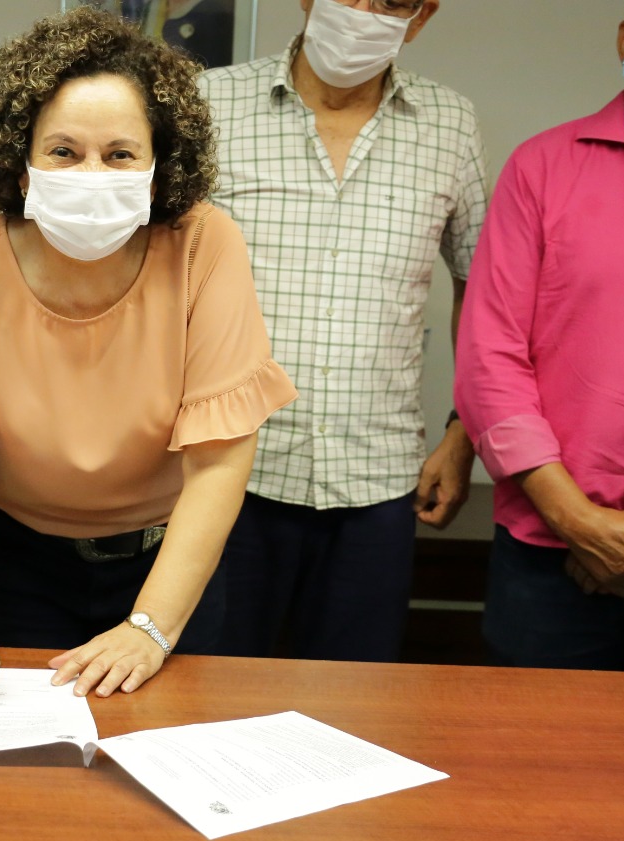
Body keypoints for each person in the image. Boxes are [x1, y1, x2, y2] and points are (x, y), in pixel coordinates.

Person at [0, 7, 296, 700]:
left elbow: (220, 460)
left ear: (157, 171)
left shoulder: (204, 246)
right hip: (14, 565)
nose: (92, 174)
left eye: (120, 154)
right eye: (63, 152)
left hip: (167, 566)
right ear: (21, 167)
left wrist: (150, 628)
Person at [199, 0, 488, 662]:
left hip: (377, 480)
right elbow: (148, 273)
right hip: (227, 468)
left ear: (421, 16)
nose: (363, 10)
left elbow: (480, 287)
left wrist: (462, 432)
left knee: (353, 703)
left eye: (389, 1)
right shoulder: (212, 103)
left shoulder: (450, 123)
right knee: (209, 691)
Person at [455, 0, 624, 673]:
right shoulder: (541, 167)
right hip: (547, 557)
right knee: (529, 741)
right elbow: (490, 356)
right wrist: (580, 523)